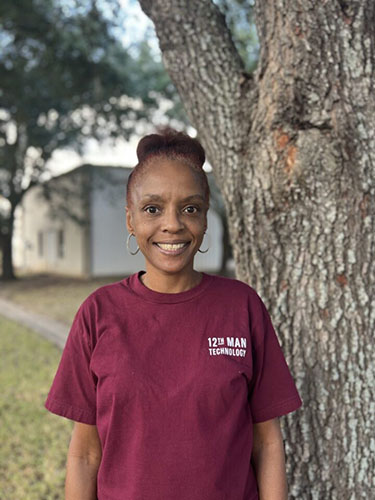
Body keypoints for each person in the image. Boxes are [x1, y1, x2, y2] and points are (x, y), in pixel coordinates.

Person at [44, 127, 302, 500]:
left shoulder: (242, 307)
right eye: (153, 208)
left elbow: (268, 444)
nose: (173, 224)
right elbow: (85, 454)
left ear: (205, 218)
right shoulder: (98, 313)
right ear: (130, 219)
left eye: (190, 208)